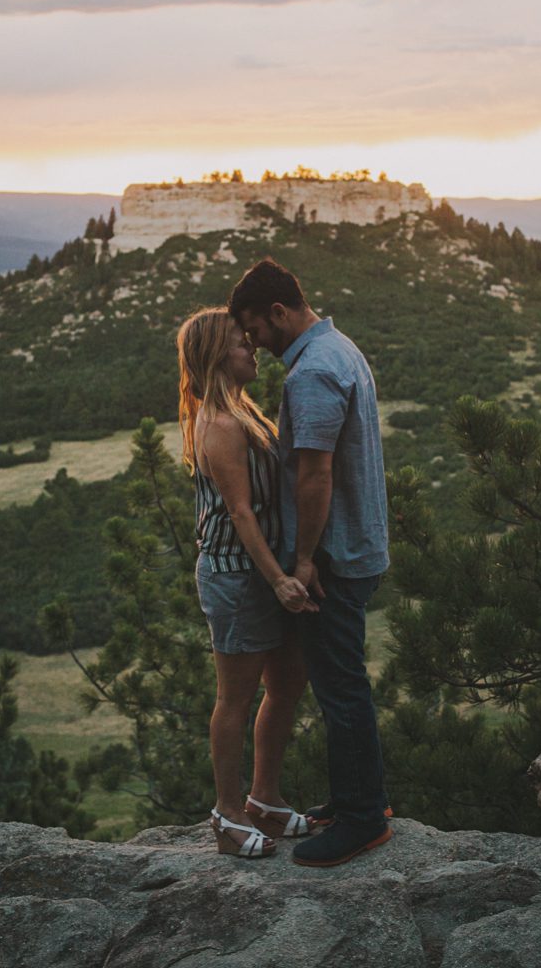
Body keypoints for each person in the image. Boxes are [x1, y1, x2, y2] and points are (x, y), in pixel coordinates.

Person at [230, 258, 394, 867]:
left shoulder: (312, 373)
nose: (253, 342)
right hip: (355, 545)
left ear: (279, 312)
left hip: (333, 556)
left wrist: (301, 561)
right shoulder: (338, 348)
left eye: (256, 329)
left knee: (341, 689)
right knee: (340, 682)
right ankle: (359, 799)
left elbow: (315, 472)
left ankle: (363, 819)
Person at [176, 307, 318, 858]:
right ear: (217, 356)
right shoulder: (220, 424)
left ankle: (265, 798)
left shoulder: (244, 410)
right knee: (234, 698)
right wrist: (280, 579)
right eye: (241, 343)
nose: (252, 348)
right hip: (237, 577)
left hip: (262, 572)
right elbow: (240, 513)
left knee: (287, 683)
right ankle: (227, 813)